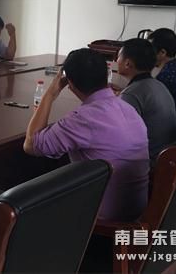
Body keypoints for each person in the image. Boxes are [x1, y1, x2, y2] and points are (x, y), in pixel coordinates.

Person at [23, 48, 149, 222]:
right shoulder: (128, 108)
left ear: (70, 83)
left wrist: (51, 93)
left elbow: (31, 145)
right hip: (138, 209)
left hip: (102, 218)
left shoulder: (84, 119)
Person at [117, 38, 176, 162]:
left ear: (127, 63)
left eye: (118, 57)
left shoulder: (131, 94)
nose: (116, 60)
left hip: (149, 162)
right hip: (168, 157)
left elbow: (120, 137)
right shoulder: (159, 85)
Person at [148, 28, 176, 136]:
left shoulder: (165, 76)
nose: (147, 54)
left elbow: (151, 107)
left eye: (150, 50)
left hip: (171, 132)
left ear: (163, 52)